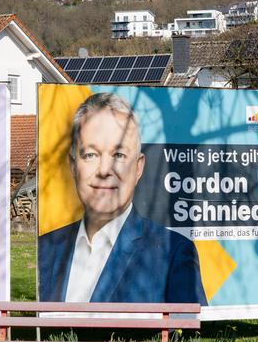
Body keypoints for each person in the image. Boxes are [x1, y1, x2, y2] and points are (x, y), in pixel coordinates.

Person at [38, 92, 206, 306]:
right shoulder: (45, 248)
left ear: (138, 167)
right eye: (90, 155)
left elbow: (191, 333)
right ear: (73, 165)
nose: (104, 170)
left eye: (118, 155)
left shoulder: (172, 253)